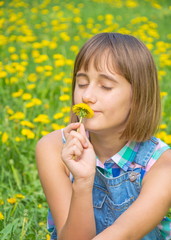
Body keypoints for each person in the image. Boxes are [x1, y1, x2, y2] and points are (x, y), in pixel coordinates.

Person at [36, 32, 171, 240]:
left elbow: (123, 234)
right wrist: (82, 182)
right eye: (81, 83)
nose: (87, 96)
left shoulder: (162, 164)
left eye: (105, 86)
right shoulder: (53, 148)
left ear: (138, 96)